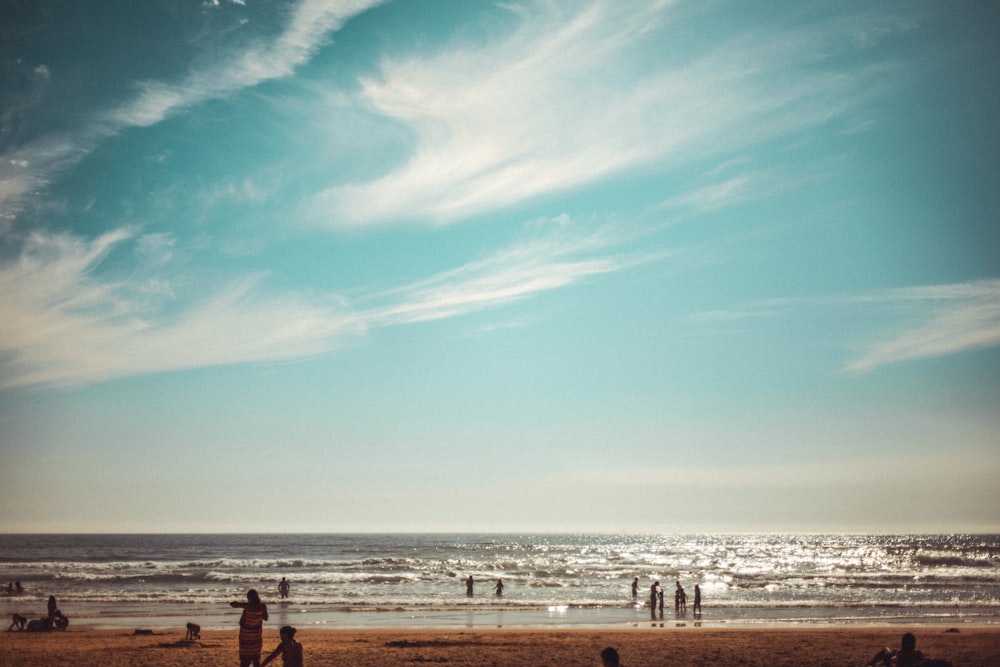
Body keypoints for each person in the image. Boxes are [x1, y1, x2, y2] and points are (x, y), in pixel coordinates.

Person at [231, 589, 269, 667]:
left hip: (246, 635)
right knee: (256, 658)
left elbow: (232, 604)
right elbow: (265, 618)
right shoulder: (262, 606)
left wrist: (242, 605)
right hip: (256, 635)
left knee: (245, 659)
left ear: (249, 598)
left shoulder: (247, 606)